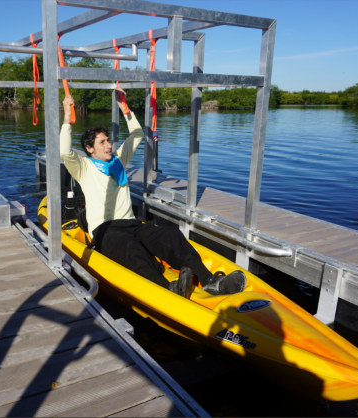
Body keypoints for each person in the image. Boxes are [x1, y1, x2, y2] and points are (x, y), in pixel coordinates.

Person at [59, 88, 246, 299]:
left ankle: (209, 281)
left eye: (108, 140)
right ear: (89, 148)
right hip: (105, 232)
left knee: (171, 234)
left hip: (130, 224)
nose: (109, 145)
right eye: (102, 142)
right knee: (129, 247)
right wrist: (67, 115)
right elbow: (64, 152)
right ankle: (166, 288)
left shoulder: (118, 161)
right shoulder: (83, 167)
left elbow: (137, 134)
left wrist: (125, 108)